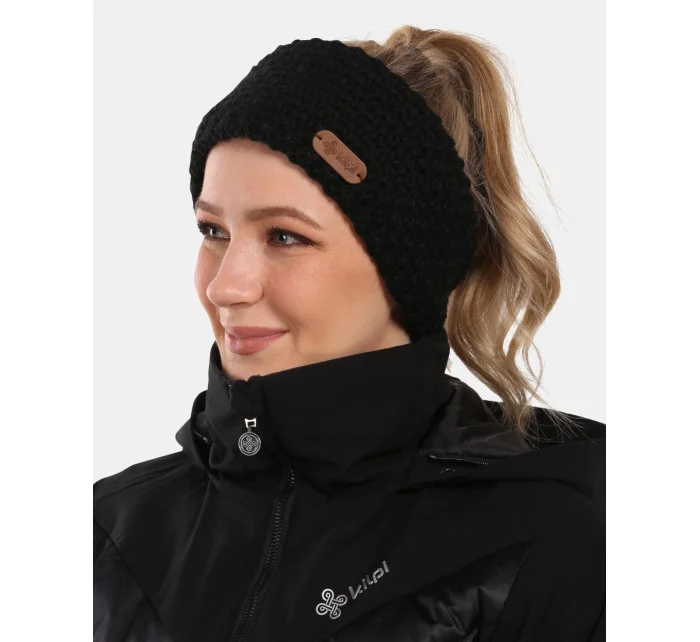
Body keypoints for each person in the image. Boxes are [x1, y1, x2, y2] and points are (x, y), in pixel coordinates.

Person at [93, 27, 605, 642]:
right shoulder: (110, 533)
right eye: (213, 231)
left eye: (285, 236)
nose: (226, 286)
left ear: (406, 267)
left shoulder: (554, 539)